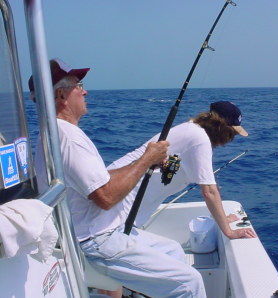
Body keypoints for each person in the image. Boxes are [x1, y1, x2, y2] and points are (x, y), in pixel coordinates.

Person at [31, 58, 206, 297]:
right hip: (97, 242)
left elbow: (97, 181)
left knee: (174, 250)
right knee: (189, 282)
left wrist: (147, 162)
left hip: (101, 232)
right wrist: (145, 159)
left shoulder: (58, 133)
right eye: (78, 85)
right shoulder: (68, 139)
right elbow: (106, 196)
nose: (85, 91)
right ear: (61, 95)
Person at [108, 101, 257, 239]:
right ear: (220, 126)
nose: (231, 138)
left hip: (122, 211)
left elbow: (194, 177)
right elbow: (209, 191)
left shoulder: (191, 130)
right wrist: (229, 232)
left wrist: (223, 218)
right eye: (232, 133)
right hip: (116, 212)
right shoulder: (200, 139)